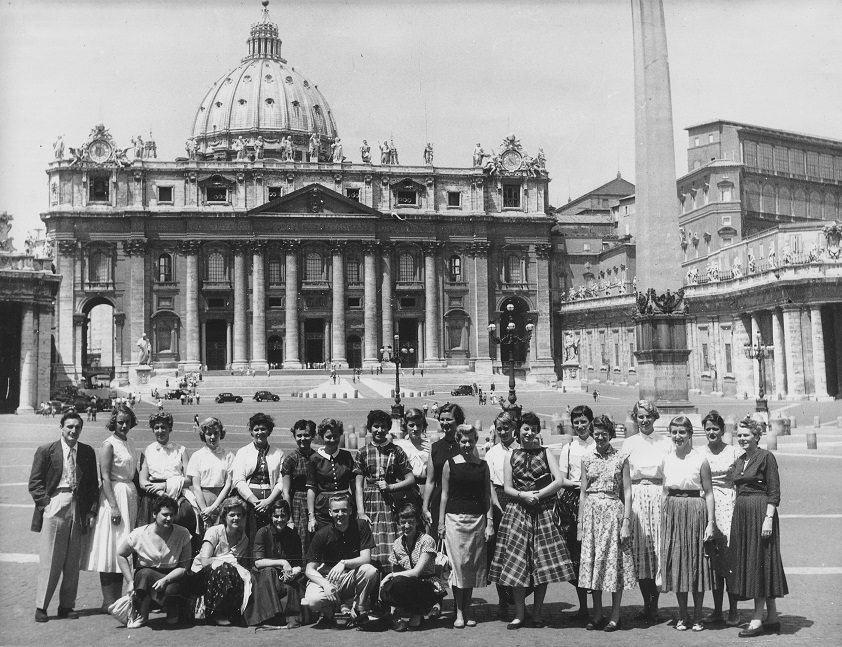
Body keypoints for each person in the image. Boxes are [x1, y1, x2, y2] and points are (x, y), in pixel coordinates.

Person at [490, 412, 575, 629]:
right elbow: (507, 487)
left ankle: (537, 613)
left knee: (541, 565)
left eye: (533, 429)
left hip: (543, 511)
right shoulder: (511, 455)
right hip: (518, 511)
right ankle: (519, 613)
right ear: (519, 430)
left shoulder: (546, 453)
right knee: (517, 562)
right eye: (525, 428)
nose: (529, 433)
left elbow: (558, 481)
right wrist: (523, 495)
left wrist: (539, 494)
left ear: (538, 431)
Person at [29, 411, 100, 623]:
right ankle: (41, 606)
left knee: (72, 560)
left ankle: (66, 605)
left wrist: (91, 510)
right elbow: (35, 483)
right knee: (51, 558)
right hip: (56, 503)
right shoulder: (46, 451)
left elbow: (92, 486)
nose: (73, 431)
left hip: (78, 506)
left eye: (77, 427)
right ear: (61, 427)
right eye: (69, 427)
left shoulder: (87, 452)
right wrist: (46, 505)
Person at [727, 416, 788, 637]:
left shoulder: (766, 457)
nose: (742, 439)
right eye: (739, 435)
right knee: (757, 561)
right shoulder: (740, 459)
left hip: (761, 512)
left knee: (759, 562)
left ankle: (756, 618)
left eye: (746, 435)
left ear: (757, 436)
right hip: (743, 515)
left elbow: (774, 490)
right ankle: (771, 616)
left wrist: (768, 518)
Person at [577, 415, 636, 632]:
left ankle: (615, 615)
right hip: (592, 514)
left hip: (613, 513)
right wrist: (580, 523)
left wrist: (626, 522)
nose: (600, 437)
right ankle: (597, 614)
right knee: (595, 564)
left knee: (614, 565)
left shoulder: (621, 457)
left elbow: (627, 491)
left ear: (611, 434)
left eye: (604, 433)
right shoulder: (586, 458)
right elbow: (583, 492)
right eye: (596, 433)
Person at [660, 415, 715, 632]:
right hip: (673, 510)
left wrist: (711, 522)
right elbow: (664, 490)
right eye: (674, 432)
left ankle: (698, 615)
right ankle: (682, 615)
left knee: (696, 564)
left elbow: (709, 493)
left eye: (682, 432)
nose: (678, 436)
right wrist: (664, 518)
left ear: (690, 434)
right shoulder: (667, 459)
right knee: (678, 563)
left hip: (695, 510)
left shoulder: (700, 459)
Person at [82, 404, 139, 610]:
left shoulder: (130, 442)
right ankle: (108, 600)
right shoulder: (108, 444)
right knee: (111, 546)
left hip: (129, 495)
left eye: (127, 422)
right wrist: (114, 506)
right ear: (113, 422)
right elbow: (105, 478)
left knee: (124, 545)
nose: (123, 425)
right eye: (120, 422)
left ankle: (117, 598)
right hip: (113, 496)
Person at [622, 399, 673, 623]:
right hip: (636, 497)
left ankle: (656, 604)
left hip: (658, 494)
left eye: (648, 416)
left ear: (655, 418)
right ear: (635, 418)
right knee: (641, 551)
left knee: (658, 549)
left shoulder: (666, 442)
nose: (644, 420)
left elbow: (670, 472)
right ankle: (647, 603)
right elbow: (623, 477)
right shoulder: (629, 443)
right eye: (640, 416)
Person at [438, 424, 493, 628]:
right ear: (458, 441)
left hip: (477, 520)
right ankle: (459, 612)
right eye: (463, 441)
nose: (467, 444)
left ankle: (467, 609)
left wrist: (490, 523)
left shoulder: (482, 465)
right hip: (454, 519)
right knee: (458, 566)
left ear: (475, 440)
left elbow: (486, 495)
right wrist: (441, 523)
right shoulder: (449, 463)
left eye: (470, 440)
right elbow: (444, 494)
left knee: (470, 566)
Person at [301, 495, 381, 628]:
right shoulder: (322, 534)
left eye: (344, 510)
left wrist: (343, 563)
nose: (340, 514)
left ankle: (358, 609)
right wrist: (325, 584)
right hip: (329, 578)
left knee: (370, 570)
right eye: (336, 511)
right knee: (312, 601)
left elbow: (366, 558)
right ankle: (332, 614)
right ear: (330, 513)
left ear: (350, 510)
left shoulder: (361, 526)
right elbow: (309, 570)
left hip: (350, 577)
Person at [117, 495, 191, 628]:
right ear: (154, 513)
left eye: (172, 515)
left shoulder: (183, 533)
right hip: (147, 576)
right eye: (165, 514)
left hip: (173, 576)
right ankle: (142, 614)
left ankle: (172, 610)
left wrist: (166, 580)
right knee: (143, 574)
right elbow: (121, 554)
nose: (169, 518)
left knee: (173, 615)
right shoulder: (139, 534)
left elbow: (184, 567)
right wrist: (129, 581)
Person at [354, 410, 415, 572]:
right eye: (376, 426)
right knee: (371, 546)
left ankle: (390, 589)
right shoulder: (362, 452)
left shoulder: (396, 451)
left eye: (383, 426)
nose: (379, 430)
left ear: (388, 428)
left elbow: (410, 479)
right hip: (370, 503)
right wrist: (361, 511)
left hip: (391, 503)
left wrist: (391, 487)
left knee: (392, 544)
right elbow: (358, 485)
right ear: (369, 428)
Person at [699, 410, 741, 626]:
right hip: (707, 507)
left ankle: (733, 609)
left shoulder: (733, 452)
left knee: (729, 561)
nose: (711, 432)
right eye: (708, 429)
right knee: (714, 563)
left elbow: (740, 481)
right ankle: (717, 609)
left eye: (715, 429)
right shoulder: (699, 453)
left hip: (728, 507)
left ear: (723, 430)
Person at [557, 404, 597, 623]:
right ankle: (583, 606)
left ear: (591, 422)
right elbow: (562, 478)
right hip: (573, 502)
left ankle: (598, 607)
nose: (580, 426)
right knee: (576, 555)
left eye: (583, 421)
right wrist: (576, 484)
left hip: (593, 499)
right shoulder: (568, 448)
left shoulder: (597, 445)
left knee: (594, 552)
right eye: (576, 422)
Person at [246, 500, 307, 628]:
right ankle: (270, 615)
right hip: (264, 575)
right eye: (276, 516)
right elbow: (258, 562)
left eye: (283, 516)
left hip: (284, 575)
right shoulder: (262, 532)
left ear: (288, 516)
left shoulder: (293, 536)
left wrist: (293, 573)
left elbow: (298, 564)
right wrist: (283, 562)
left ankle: (290, 618)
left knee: (297, 581)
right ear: (271, 516)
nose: (279, 520)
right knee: (270, 572)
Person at [190, 497, 251, 626]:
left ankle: (232, 612)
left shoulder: (244, 539)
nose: (236, 518)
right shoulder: (214, 531)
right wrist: (226, 561)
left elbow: (240, 565)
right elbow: (205, 561)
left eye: (239, 515)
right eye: (232, 515)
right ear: (224, 516)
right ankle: (216, 613)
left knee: (240, 573)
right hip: (201, 575)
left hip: (225, 575)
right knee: (225, 567)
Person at [380, 502, 441, 631]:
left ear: (417, 522)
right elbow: (396, 573)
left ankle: (419, 612)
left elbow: (416, 573)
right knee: (386, 589)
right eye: (403, 522)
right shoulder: (397, 543)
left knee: (398, 580)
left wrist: (390, 576)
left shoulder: (426, 540)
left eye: (410, 522)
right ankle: (401, 613)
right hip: (409, 584)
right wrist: (393, 609)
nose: (406, 526)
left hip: (428, 585)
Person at [137, 413, 196, 538]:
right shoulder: (147, 451)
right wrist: (159, 493)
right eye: (156, 427)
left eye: (163, 427)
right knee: (151, 538)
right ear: (152, 429)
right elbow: (142, 482)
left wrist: (165, 486)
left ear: (170, 428)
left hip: (176, 496)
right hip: (153, 497)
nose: (160, 431)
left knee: (177, 536)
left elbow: (189, 479)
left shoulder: (181, 450)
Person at [484, 410, 520, 618]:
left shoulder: (521, 449)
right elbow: (488, 484)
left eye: (507, 427)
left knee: (519, 551)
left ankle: (517, 597)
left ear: (514, 428)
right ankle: (502, 600)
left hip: (518, 498)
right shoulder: (491, 453)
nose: (503, 431)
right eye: (500, 428)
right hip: (498, 499)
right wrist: (495, 505)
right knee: (499, 552)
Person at [232, 412, 285, 539]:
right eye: (256, 429)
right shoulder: (243, 452)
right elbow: (239, 480)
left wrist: (268, 501)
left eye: (263, 429)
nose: (259, 432)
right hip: (249, 504)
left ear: (269, 431)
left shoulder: (278, 453)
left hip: (272, 502)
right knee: (250, 536)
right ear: (251, 431)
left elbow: (281, 481)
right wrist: (255, 502)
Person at [306, 418, 356, 533]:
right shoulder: (315, 459)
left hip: (345, 508)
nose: (332, 440)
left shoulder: (346, 456)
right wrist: (311, 517)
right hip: (323, 510)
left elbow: (354, 485)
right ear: (322, 437)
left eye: (336, 436)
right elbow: (311, 488)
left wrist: (358, 510)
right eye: (328, 437)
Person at [422, 403, 464, 537]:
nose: (445, 423)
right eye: (442, 419)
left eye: (449, 419)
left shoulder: (465, 446)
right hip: (439, 499)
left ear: (458, 421)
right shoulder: (435, 448)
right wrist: (424, 507)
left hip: (460, 498)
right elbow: (430, 480)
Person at [186, 417, 234, 534]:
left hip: (221, 499)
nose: (212, 437)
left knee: (222, 534)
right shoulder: (197, 456)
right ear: (204, 435)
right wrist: (205, 512)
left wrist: (214, 507)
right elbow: (196, 487)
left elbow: (228, 485)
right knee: (204, 536)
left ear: (221, 434)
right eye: (209, 434)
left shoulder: (228, 455)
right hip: (202, 499)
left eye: (216, 433)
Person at [282, 419, 317, 553]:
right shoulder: (291, 459)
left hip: (315, 500)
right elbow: (286, 492)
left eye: (306, 435)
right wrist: (289, 517)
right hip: (297, 503)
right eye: (299, 435)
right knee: (301, 539)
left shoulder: (317, 457)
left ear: (312, 436)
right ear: (295, 437)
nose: (303, 439)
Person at [395, 408, 431, 487]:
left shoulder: (430, 447)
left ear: (423, 426)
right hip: (405, 490)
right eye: (411, 425)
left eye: (418, 425)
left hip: (425, 488)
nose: (415, 429)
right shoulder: (399, 447)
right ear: (405, 426)